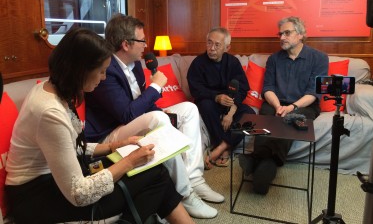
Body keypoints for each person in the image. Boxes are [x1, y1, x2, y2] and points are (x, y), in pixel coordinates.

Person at [5, 28, 194, 224]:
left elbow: (69, 147)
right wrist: (129, 161)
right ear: (81, 70)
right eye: (101, 71)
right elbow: (80, 194)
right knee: (156, 177)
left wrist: (116, 145)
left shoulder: (54, 89)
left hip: (58, 177)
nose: (104, 77)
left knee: (155, 171)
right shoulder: (49, 112)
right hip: (35, 195)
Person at [84, 14, 223, 219]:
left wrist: (158, 108)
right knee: (158, 121)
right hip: (110, 133)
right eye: (141, 40)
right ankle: (184, 194)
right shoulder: (107, 70)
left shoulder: (137, 64)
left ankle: (194, 179)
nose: (145, 45)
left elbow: (142, 103)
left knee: (188, 109)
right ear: (126, 44)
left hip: (133, 121)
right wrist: (156, 86)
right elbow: (126, 114)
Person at [239, 16, 329, 195]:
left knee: (291, 119)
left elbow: (314, 92)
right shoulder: (274, 59)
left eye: (287, 33)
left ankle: (256, 160)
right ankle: (266, 168)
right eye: (280, 33)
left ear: (301, 35)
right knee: (265, 119)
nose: (281, 37)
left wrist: (292, 107)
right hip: (275, 102)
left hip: (304, 105)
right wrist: (278, 105)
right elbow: (268, 88)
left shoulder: (319, 58)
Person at [187, 27, 255, 169]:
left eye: (217, 45)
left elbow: (243, 88)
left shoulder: (233, 62)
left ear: (227, 47)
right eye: (209, 43)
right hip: (210, 102)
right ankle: (224, 148)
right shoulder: (198, 63)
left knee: (250, 114)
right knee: (205, 105)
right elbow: (195, 89)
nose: (211, 48)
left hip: (230, 103)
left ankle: (219, 148)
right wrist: (216, 97)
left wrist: (232, 110)